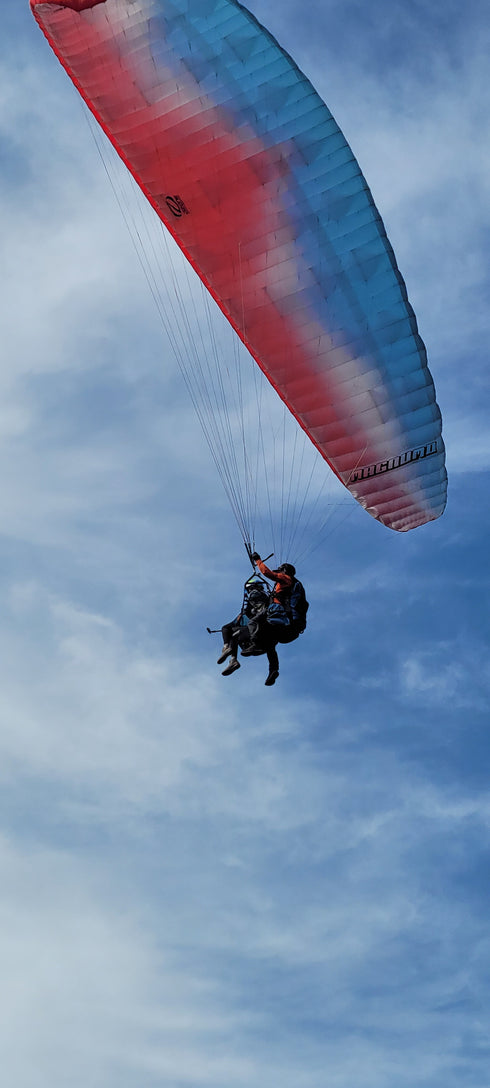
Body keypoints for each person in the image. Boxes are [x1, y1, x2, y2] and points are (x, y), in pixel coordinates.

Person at [217, 584, 280, 686]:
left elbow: (226, 628)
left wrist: (226, 644)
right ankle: (273, 669)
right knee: (270, 645)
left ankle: (232, 657)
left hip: (255, 641)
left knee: (235, 634)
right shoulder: (246, 615)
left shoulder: (251, 609)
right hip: (257, 642)